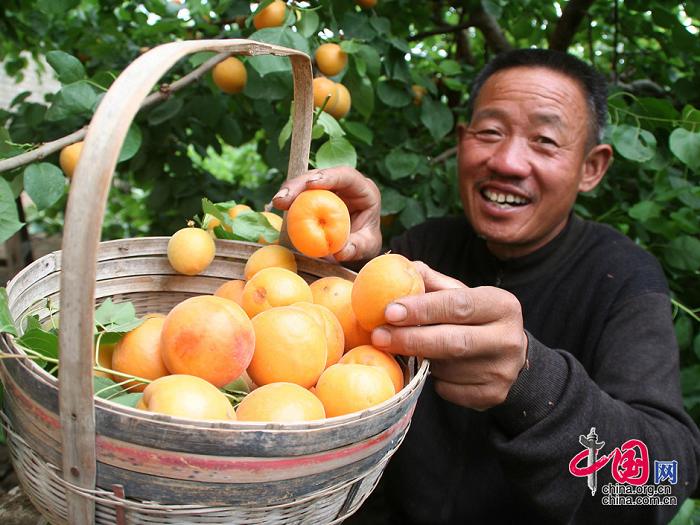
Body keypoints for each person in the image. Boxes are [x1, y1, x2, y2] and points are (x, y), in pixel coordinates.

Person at [272, 48, 700, 523]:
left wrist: (534, 385)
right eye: (491, 131)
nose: (508, 161)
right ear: (462, 140)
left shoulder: (623, 281)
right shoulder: (422, 248)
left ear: (592, 168)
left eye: (544, 140)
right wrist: (342, 260)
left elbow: (661, 488)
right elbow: (312, 363)